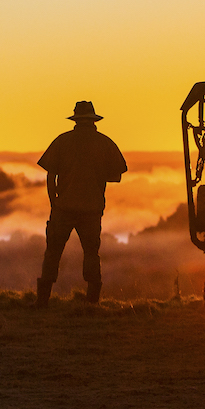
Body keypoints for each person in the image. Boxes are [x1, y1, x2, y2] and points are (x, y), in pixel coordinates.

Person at [35, 101, 127, 306]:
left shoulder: (62, 141)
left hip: (63, 208)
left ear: (75, 120)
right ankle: (92, 302)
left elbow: (50, 175)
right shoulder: (105, 143)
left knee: (53, 252)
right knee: (92, 254)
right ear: (94, 120)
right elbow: (117, 175)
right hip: (92, 209)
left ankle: (42, 301)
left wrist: (54, 202)